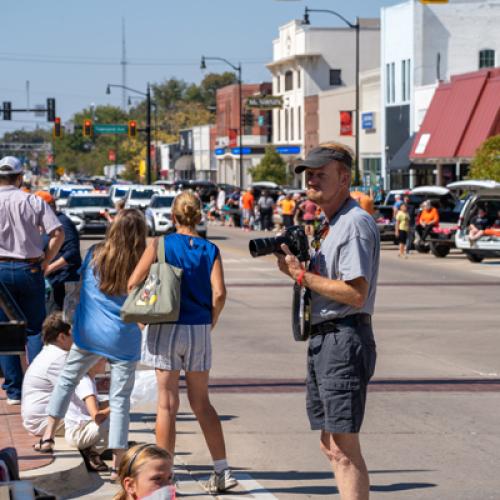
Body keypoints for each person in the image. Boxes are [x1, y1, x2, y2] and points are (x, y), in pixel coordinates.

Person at [276, 143, 378, 500]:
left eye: (321, 174)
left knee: (345, 448)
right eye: (309, 174)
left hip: (343, 337)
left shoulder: (353, 224)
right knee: (330, 443)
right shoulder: (330, 224)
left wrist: (302, 277)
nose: (311, 180)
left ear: (345, 177)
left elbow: (355, 294)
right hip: (326, 339)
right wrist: (297, 269)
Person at [129, 191, 237, 495]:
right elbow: (219, 293)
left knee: (166, 404)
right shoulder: (210, 249)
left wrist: (142, 318)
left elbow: (133, 282)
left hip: (165, 325)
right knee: (201, 402)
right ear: (199, 216)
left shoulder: (160, 244)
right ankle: (222, 469)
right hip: (198, 327)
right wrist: (211, 320)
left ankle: (165, 478)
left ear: (173, 217)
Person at [35, 209, 147, 478]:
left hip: (90, 332)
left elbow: (84, 284)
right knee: (120, 400)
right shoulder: (141, 262)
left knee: (67, 380)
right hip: (123, 335)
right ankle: (119, 460)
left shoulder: (95, 254)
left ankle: (48, 433)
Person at [0, 156, 65, 405]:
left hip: (1, 269)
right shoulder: (33, 201)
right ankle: (36, 388)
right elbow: (57, 233)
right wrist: (47, 259)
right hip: (30, 269)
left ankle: (14, 391)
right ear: (19, 178)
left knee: (5, 329)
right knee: (34, 330)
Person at [34, 191, 82, 310]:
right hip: (54, 280)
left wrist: (48, 269)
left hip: (64, 281)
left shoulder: (62, 222)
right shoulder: (50, 222)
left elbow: (72, 253)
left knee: (58, 318)